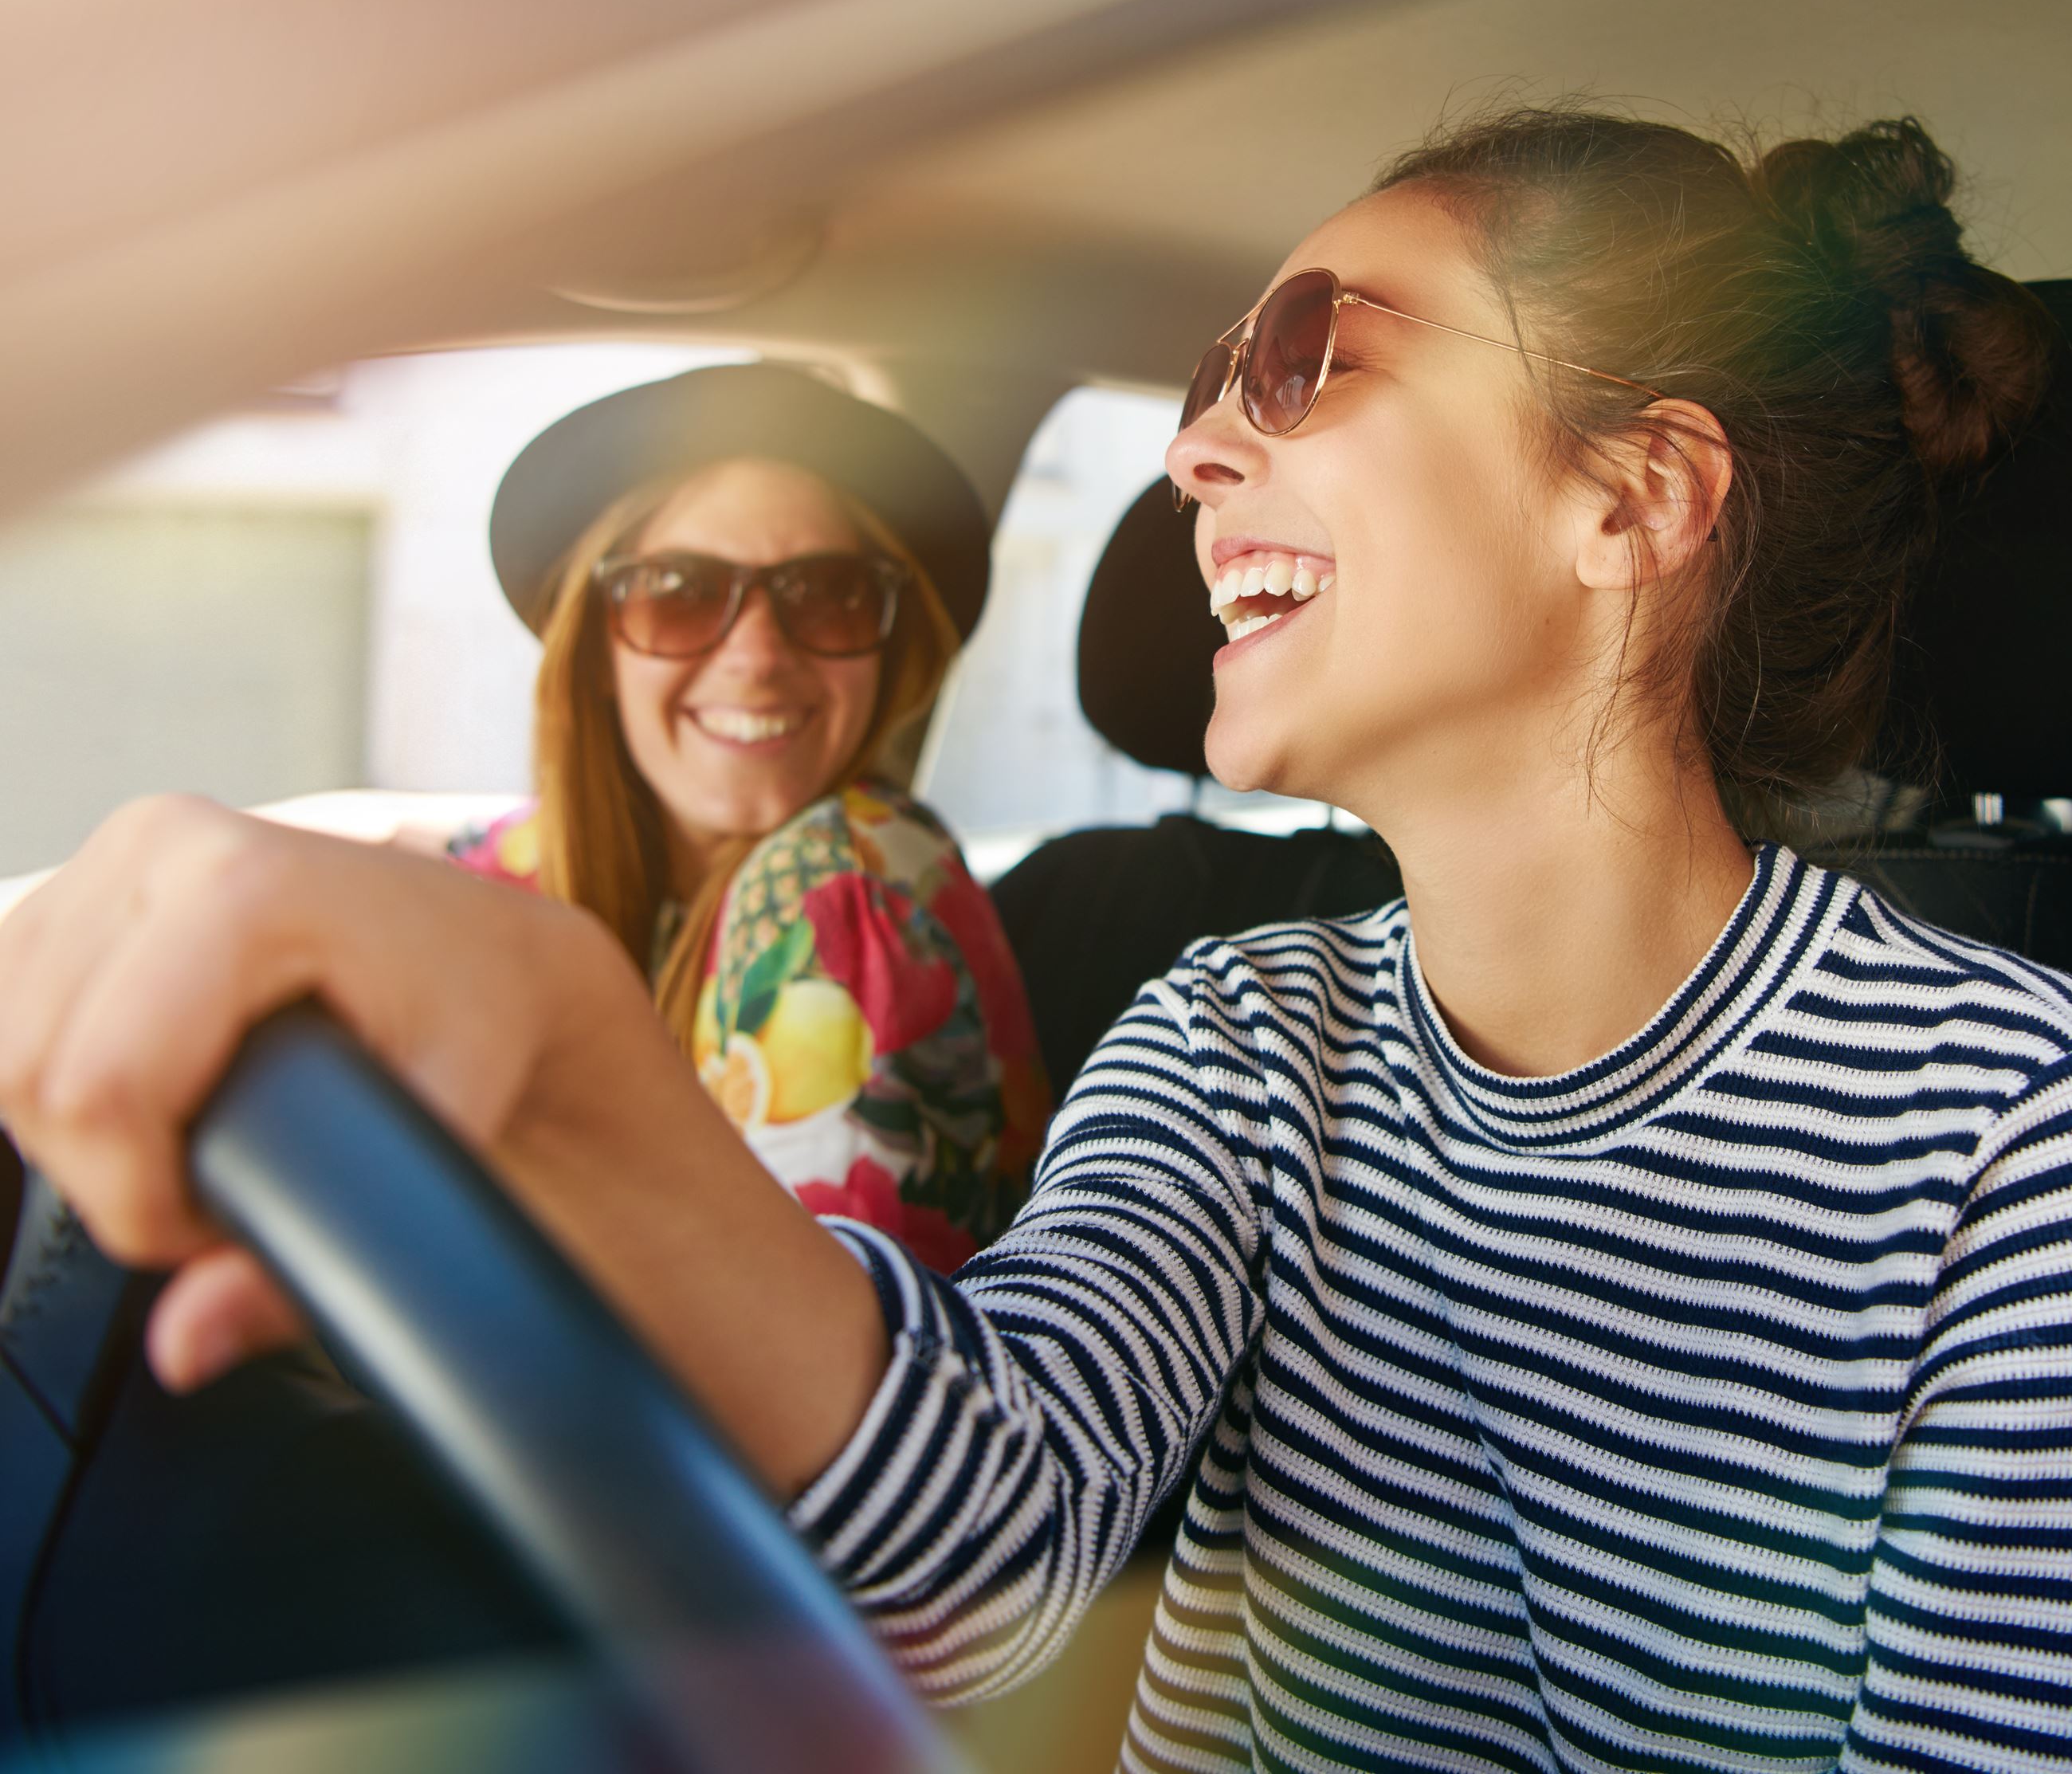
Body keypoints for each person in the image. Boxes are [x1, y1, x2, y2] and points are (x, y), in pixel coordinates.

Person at [6, 108, 2070, 1774]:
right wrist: (557, 1049)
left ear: (1630, 501)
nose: (1193, 454)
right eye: (1202, 386)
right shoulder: (1251, 1036)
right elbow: (986, 1548)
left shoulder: (2011, 1144)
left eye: (1304, 359)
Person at [442, 363, 1050, 1268]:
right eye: (678, 590)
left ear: (888, 648)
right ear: (596, 647)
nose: (757, 656)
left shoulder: (846, 885)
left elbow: (812, 1383)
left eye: (828, 593)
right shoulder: (499, 873)